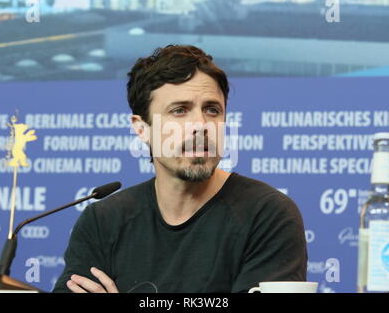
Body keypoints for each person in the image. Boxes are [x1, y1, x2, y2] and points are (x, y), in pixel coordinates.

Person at [53, 45, 307, 293]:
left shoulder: (267, 215)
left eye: (212, 110)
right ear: (142, 129)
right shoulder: (103, 221)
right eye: (180, 110)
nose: (201, 125)